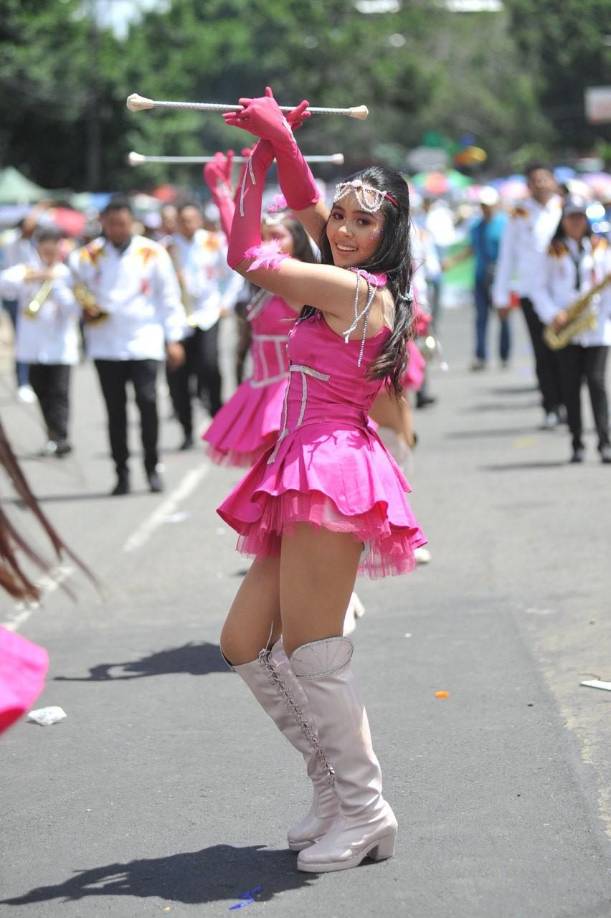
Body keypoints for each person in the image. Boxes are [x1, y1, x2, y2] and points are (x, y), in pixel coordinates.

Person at [215, 89, 426, 873]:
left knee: (313, 650)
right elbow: (305, 205)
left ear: (388, 232)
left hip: (330, 470)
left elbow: (247, 257)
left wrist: (260, 156)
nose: (339, 229)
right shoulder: (346, 268)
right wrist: (282, 144)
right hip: (301, 466)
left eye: (360, 221)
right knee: (243, 642)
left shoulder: (355, 291)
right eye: (339, 218)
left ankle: (366, 810)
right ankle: (333, 790)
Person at [202, 151, 316, 466]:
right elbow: (240, 241)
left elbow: (242, 244)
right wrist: (232, 187)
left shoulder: (297, 279)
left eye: (276, 237)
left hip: (291, 392)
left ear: (296, 242)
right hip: (261, 387)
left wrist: (244, 181)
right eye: (263, 237)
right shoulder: (263, 281)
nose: (266, 243)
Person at [71, 197, 186, 495]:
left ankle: (151, 467)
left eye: (122, 223)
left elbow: (169, 297)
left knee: (148, 404)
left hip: (144, 340)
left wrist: (173, 338)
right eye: (111, 224)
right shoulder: (88, 255)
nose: (117, 229)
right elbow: (70, 289)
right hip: (106, 344)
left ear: (132, 222)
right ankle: (121, 472)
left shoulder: (152, 252)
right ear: (103, 225)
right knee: (115, 411)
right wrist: (82, 308)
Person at [531, 195, 611, 464]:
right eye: (571, 217)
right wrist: (554, 314)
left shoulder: (601, 247)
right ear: (563, 221)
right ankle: (577, 442)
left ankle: (605, 442)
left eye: (580, 217)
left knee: (598, 383)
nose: (576, 222)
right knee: (571, 385)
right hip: (567, 325)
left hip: (597, 326)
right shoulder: (552, 250)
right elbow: (538, 288)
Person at [164, 202, 242, 448]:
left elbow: (235, 272)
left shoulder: (214, 241)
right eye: (182, 220)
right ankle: (186, 429)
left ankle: (218, 422)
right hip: (178, 319)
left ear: (198, 219)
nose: (187, 224)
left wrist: (225, 302)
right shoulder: (167, 247)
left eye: (191, 219)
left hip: (208, 315)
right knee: (178, 376)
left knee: (210, 367)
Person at [493, 163, 564, 427]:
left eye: (546, 179)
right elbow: (507, 256)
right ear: (529, 185)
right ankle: (551, 406)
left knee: (566, 354)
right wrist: (501, 295)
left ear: (554, 182)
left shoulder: (565, 208)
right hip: (530, 292)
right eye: (536, 180)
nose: (542, 184)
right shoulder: (520, 214)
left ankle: (568, 403)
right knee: (542, 351)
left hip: (561, 293)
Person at [0, 228, 80, 456]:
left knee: (59, 394)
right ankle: (52, 435)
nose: (49, 253)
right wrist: (35, 277)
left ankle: (61, 437)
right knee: (42, 392)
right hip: (33, 346)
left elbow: (73, 308)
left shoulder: (66, 273)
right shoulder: (26, 270)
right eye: (45, 248)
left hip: (60, 347)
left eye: (53, 248)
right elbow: (4, 284)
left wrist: (54, 285)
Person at [1, 209, 42, 402]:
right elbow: (18, 270)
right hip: (14, 296)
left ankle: (31, 379)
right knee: (21, 339)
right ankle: (22, 382)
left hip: (32, 295)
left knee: (31, 338)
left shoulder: (34, 242)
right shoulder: (12, 242)